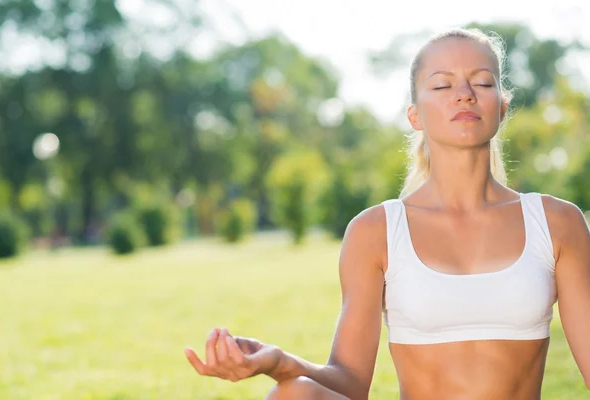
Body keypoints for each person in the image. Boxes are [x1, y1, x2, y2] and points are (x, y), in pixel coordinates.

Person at [185, 27, 590, 399]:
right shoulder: (375, 231)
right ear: (415, 115)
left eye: (482, 82)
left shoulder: (556, 223)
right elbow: (349, 381)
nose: (464, 94)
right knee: (295, 394)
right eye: (442, 84)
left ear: (501, 108)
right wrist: (276, 362)